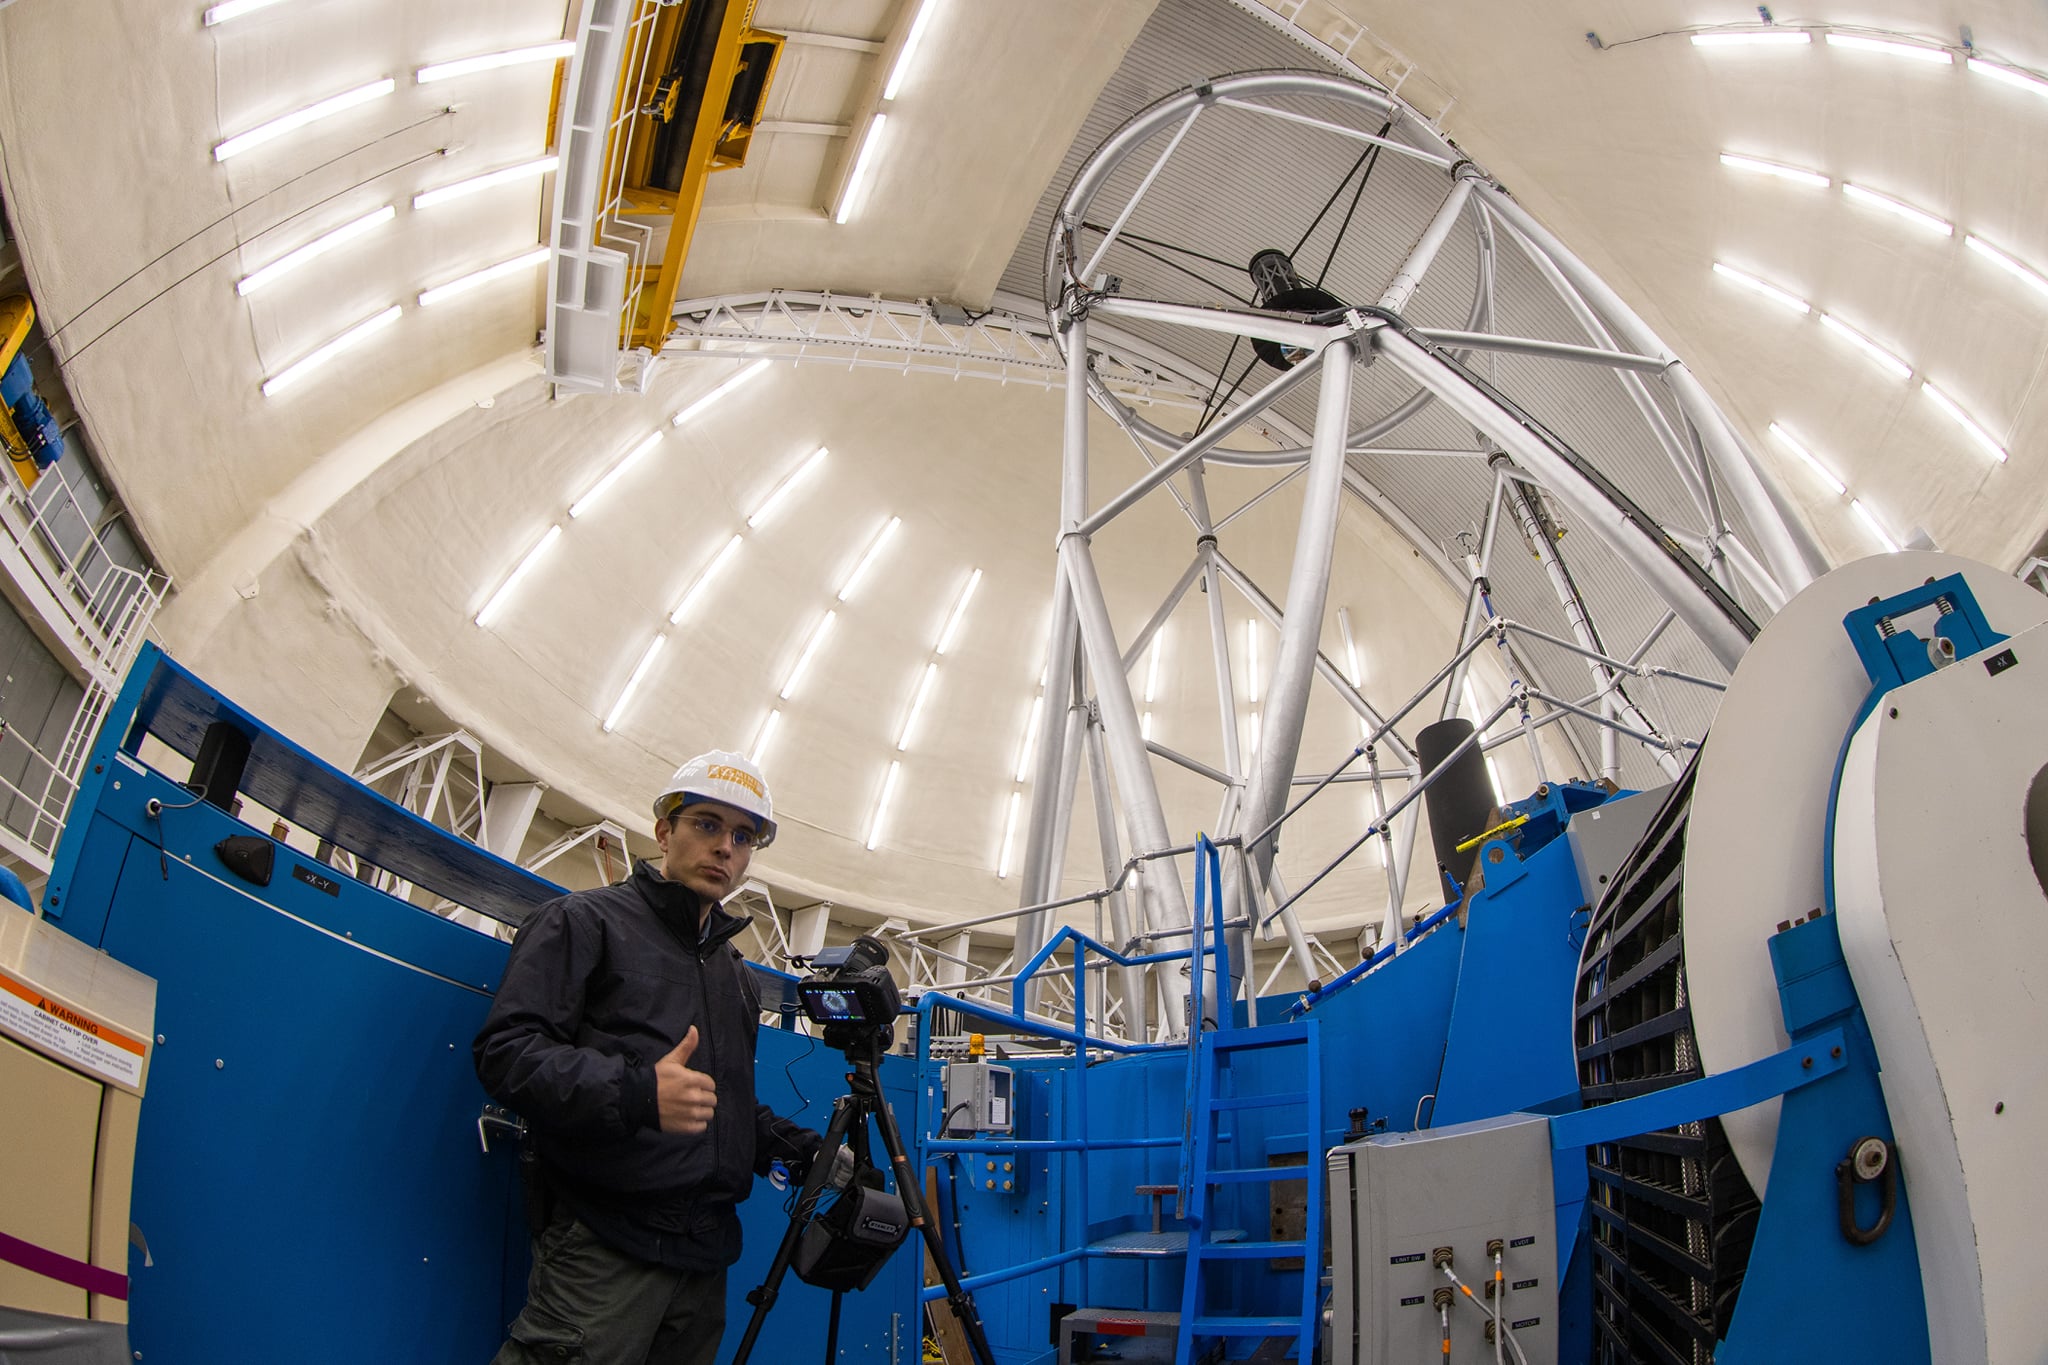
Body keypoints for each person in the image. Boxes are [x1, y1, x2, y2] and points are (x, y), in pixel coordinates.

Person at [474, 750, 821, 1365]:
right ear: (665, 831)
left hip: (704, 1256)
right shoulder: (582, 923)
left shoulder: (735, 975)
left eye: (743, 837)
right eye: (707, 825)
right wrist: (636, 1092)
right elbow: (508, 1054)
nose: (725, 849)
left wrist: (805, 1149)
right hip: (603, 1249)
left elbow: (720, 1104)